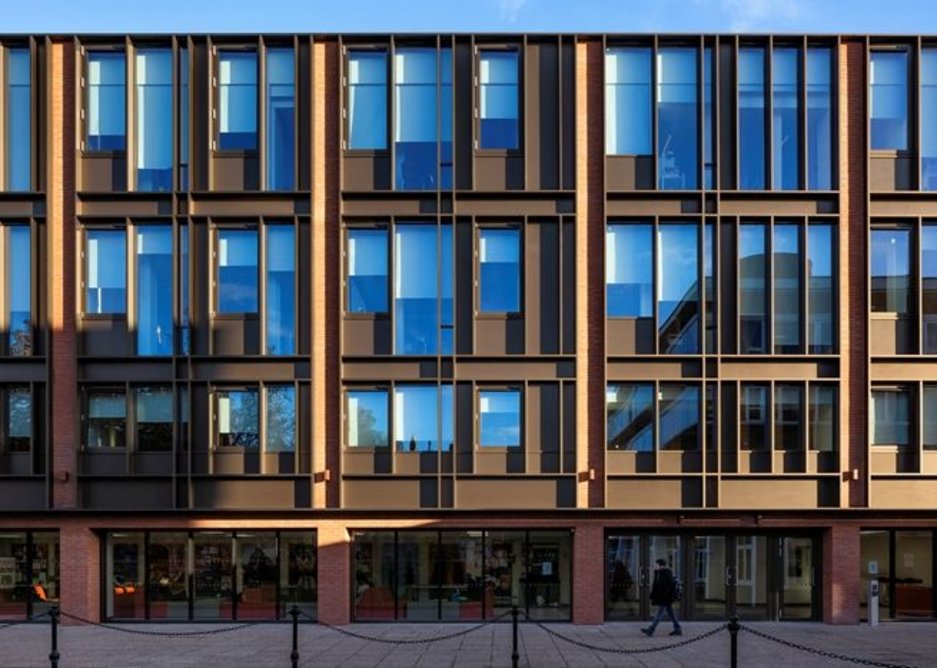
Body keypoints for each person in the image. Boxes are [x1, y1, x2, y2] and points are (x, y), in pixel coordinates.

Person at [641, 558, 682, 637]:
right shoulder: (658, 573)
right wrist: (653, 595)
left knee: (659, 614)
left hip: (665, 598)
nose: (654, 566)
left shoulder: (667, 573)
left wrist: (663, 596)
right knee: (671, 613)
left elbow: (669, 587)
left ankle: (651, 630)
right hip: (663, 598)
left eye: (656, 564)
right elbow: (656, 586)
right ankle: (678, 629)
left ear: (661, 565)